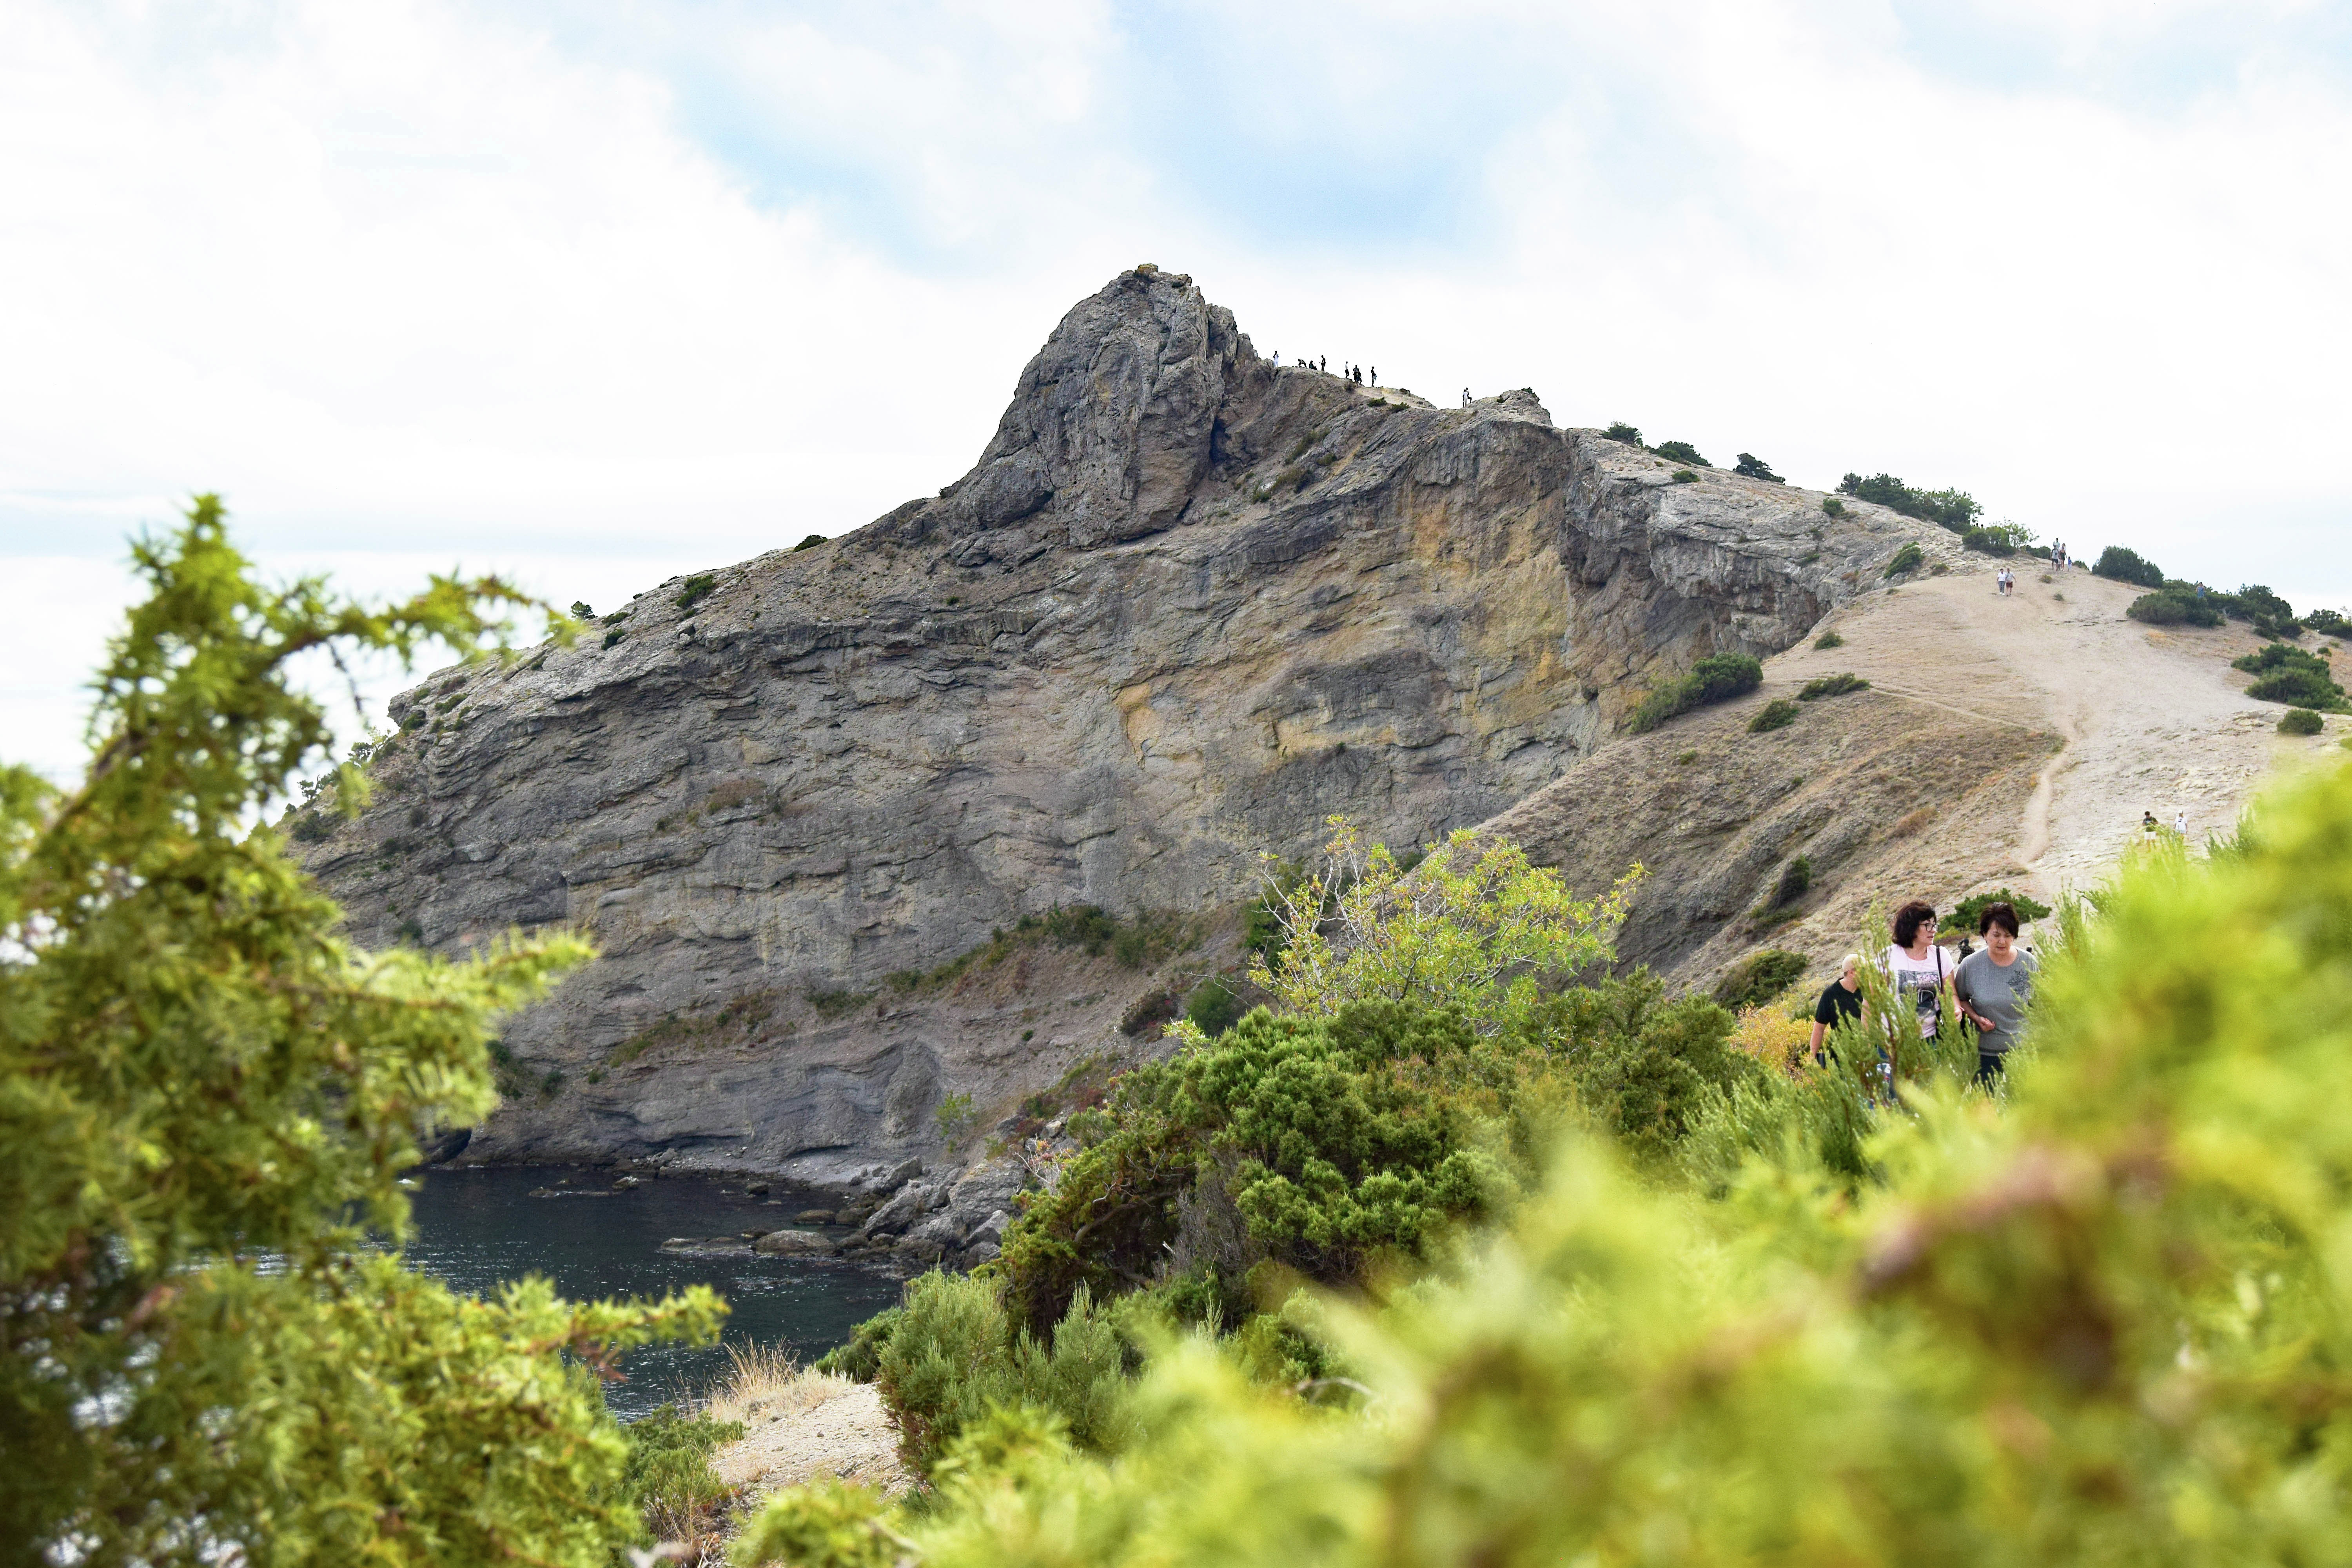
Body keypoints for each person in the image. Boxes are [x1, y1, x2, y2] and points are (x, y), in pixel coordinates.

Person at [1955, 900, 2037, 1085]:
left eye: (2008, 936)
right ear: (1984, 935)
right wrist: (1976, 1018)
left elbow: (2040, 1003)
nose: (2002, 941)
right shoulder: (1970, 965)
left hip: (2024, 1050)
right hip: (1985, 1054)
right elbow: (1960, 998)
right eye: (1996, 935)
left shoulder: (2029, 962)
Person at [1883, 900, 1955, 1056]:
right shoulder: (1887, 957)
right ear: (1912, 927)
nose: (1934, 930)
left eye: (1935, 925)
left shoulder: (1940, 955)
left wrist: (1955, 1008)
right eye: (1928, 925)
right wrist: (1871, 1041)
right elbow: (1870, 1003)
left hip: (1932, 1041)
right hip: (1893, 1043)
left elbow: (1951, 994)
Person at [1809, 953, 1864, 1063]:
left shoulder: (1869, 991)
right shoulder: (1831, 994)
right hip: (1841, 1059)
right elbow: (1819, 1028)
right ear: (1852, 973)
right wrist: (1812, 1058)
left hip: (1869, 1056)